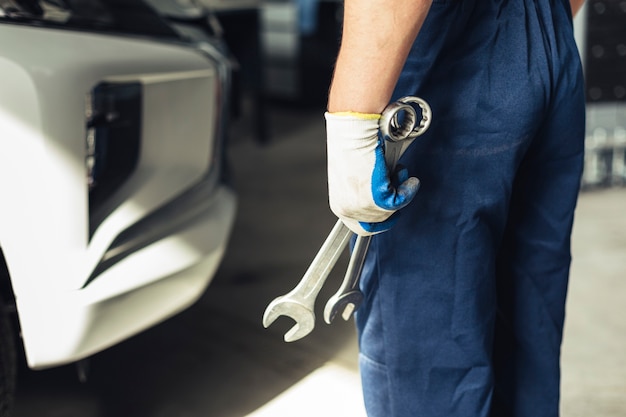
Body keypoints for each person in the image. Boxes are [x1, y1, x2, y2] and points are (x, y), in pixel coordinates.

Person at [324, 0, 587, 416]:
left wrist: (352, 120)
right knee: (526, 324)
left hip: (449, 40)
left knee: (429, 363)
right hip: (551, 33)